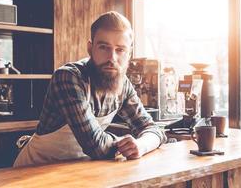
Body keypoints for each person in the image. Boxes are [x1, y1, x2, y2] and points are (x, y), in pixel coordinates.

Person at [14, 11, 166, 167]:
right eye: (103, 47)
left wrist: (141, 145)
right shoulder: (68, 77)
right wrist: (124, 143)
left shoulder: (124, 85)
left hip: (75, 170)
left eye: (120, 50)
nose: (111, 58)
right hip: (32, 170)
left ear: (129, 54)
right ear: (90, 48)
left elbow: (153, 129)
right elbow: (97, 147)